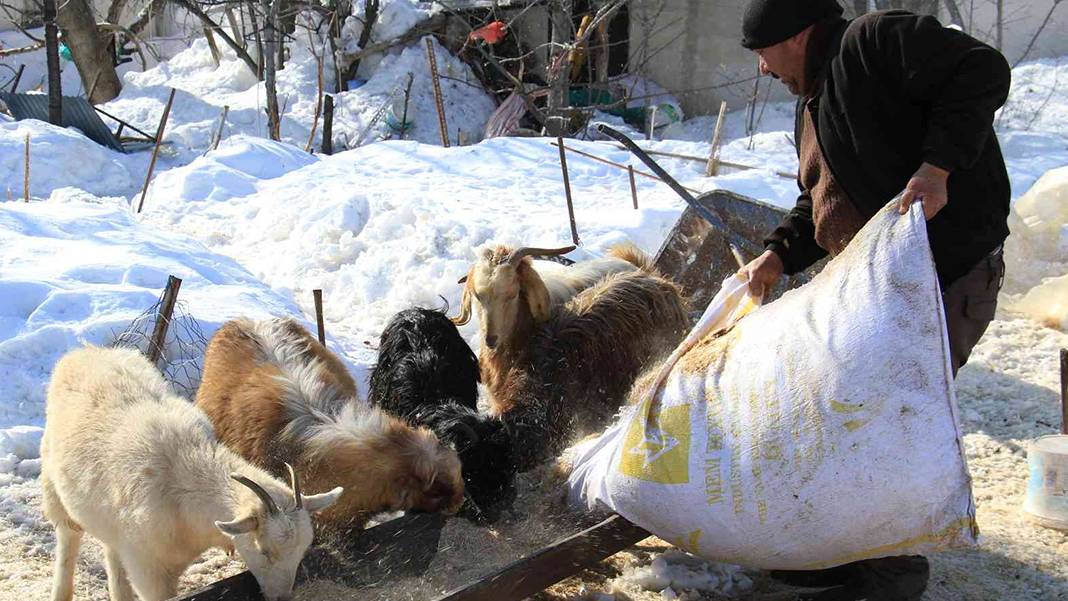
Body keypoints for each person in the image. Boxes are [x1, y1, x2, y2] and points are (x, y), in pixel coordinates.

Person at [736, 1, 1011, 600]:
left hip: (945, 275)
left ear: (799, 35)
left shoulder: (874, 41)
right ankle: (844, 556)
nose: (762, 69)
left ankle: (892, 578)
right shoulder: (812, 108)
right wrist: (777, 256)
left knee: (889, 422)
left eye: (763, 52)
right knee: (834, 416)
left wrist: (938, 167)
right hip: (875, 288)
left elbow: (983, 70)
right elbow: (822, 205)